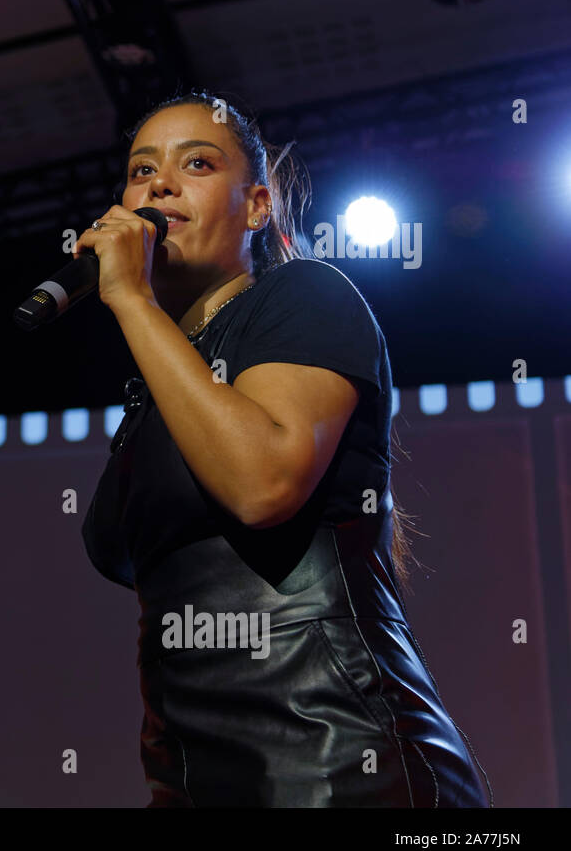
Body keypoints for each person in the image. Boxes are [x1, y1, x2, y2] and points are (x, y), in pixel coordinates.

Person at [78, 91, 492, 807]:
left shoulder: (305, 295)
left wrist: (133, 303)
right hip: (193, 774)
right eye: (141, 170)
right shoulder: (157, 385)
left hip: (335, 759)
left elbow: (263, 481)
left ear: (258, 206)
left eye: (197, 163)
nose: (160, 185)